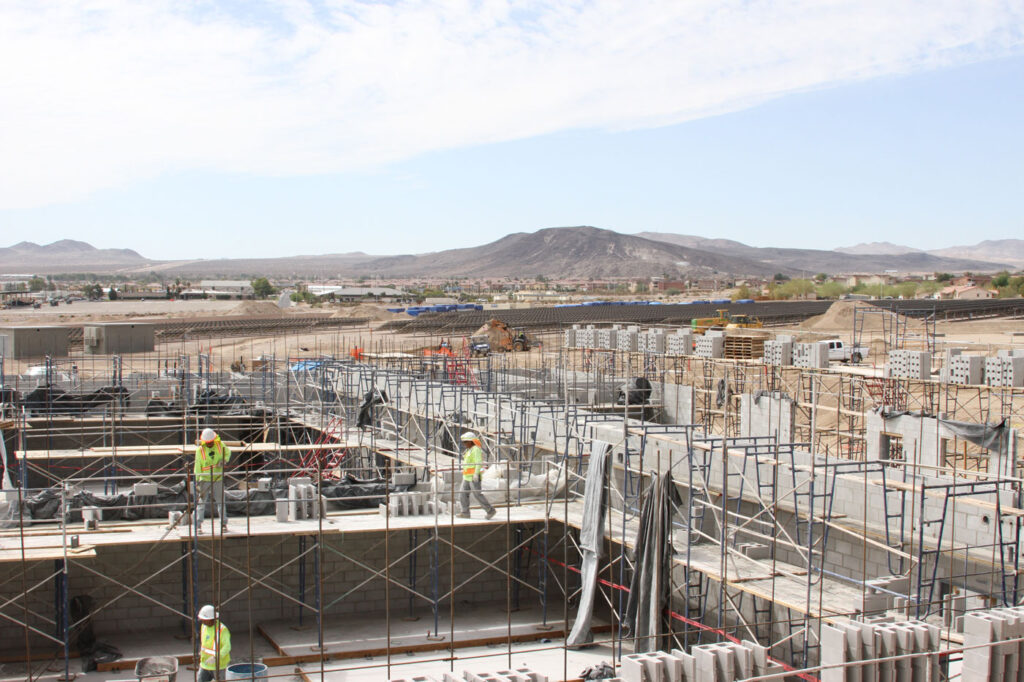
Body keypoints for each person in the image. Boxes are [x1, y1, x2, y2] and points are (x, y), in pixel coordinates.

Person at [194, 428, 231, 531]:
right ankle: (198, 525)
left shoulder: (220, 446)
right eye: (208, 442)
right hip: (205, 479)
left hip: (218, 478)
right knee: (201, 502)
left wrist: (224, 460)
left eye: (211, 442)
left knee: (221, 502)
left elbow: (228, 453)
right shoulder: (200, 450)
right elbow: (197, 466)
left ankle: (223, 524)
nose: (209, 444)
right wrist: (197, 481)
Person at [457, 432, 495, 519]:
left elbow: (479, 462)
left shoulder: (476, 449)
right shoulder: (469, 450)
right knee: (462, 494)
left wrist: (476, 474)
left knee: (477, 494)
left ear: (471, 441)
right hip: (467, 477)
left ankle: (490, 510)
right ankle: (465, 513)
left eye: (466, 442)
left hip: (474, 477)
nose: (464, 444)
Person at [196, 604, 230, 681]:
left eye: (205, 620)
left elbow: (227, 647)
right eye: (202, 620)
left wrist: (216, 657)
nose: (203, 621)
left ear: (212, 619)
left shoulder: (222, 629)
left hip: (219, 666)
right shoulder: (204, 626)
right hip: (205, 664)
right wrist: (201, 652)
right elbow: (205, 642)